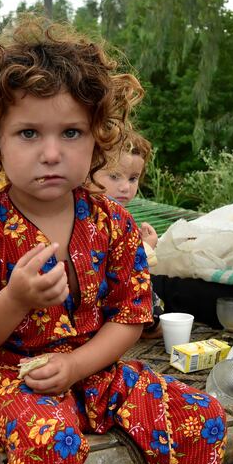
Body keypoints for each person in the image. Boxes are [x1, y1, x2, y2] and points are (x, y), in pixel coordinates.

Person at [0, 16, 226, 464]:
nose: (51, 153)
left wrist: (76, 364)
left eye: (70, 132)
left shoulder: (114, 224)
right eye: (28, 133)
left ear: (98, 139)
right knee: (51, 439)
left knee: (201, 415)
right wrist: (15, 301)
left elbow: (131, 317)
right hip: (5, 377)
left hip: (93, 368)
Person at [89, 131, 165, 338]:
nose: (125, 187)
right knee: (146, 286)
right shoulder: (93, 215)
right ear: (88, 172)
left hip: (101, 296)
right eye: (114, 176)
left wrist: (138, 242)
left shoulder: (117, 215)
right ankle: (147, 325)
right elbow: (115, 266)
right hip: (95, 300)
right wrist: (146, 248)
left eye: (133, 178)